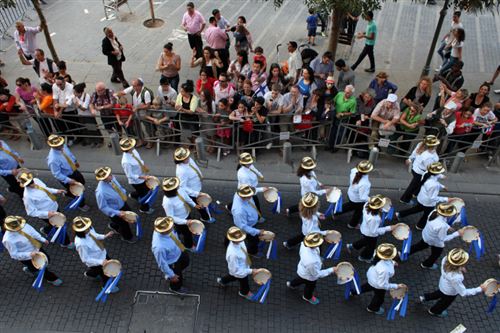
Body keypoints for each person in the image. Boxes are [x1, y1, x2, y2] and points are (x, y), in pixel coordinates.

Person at [419, 248, 486, 317]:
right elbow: (463, 293)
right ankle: (434, 311)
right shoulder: (456, 277)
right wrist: (480, 289)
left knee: (438, 293)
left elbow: (451, 265)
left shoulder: (445, 260)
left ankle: (425, 298)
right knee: (444, 303)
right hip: (450, 292)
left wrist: (460, 268)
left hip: (443, 284)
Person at [2, 215, 63, 286]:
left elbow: (33, 232)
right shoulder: (8, 240)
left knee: (47, 259)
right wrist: (29, 254)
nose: (20, 228)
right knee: (42, 268)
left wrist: (42, 239)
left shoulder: (22, 224)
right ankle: (52, 279)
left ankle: (31, 269)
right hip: (27, 257)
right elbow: (14, 255)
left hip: (36, 248)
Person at [17, 171, 73, 247]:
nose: (32, 184)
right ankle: (65, 243)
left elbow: (46, 189)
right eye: (29, 184)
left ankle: (47, 230)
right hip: (47, 214)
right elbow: (31, 212)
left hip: (54, 207)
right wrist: (48, 214)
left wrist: (56, 191)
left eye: (32, 181)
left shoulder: (36, 180)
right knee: (60, 228)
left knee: (54, 225)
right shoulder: (27, 196)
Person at [397, 162, 453, 230]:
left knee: (416, 209)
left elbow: (434, 178)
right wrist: (446, 199)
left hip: (421, 198)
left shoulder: (426, 173)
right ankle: (420, 226)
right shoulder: (434, 185)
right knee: (427, 215)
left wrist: (442, 186)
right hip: (428, 203)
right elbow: (432, 197)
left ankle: (400, 214)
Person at [286, 232, 336, 305]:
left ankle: (292, 284)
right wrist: (331, 270)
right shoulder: (312, 261)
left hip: (302, 270)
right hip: (310, 276)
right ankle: (307, 297)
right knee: (310, 286)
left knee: (300, 279)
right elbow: (316, 274)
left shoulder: (304, 243)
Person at [408, 203, 462, 269]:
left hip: (427, 235)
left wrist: (448, 227)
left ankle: (405, 253)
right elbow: (443, 238)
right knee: (435, 254)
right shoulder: (442, 226)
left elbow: (440, 222)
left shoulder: (434, 212)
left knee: (418, 246)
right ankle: (427, 264)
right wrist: (457, 233)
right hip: (435, 241)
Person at [72, 216, 118, 292]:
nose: (89, 228)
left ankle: (90, 274)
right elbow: (85, 259)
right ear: (80, 231)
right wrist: (101, 262)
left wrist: (105, 236)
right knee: (105, 275)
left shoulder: (89, 229)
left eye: (88, 226)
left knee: (97, 271)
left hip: (103, 254)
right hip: (96, 262)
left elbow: (95, 235)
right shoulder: (80, 243)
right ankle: (106, 287)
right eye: (86, 228)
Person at [46, 134, 90, 212]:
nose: (62, 145)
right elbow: (56, 174)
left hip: (73, 170)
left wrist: (75, 161)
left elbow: (69, 154)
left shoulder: (63, 146)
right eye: (59, 145)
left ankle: (68, 193)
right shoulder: (53, 160)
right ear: (53, 147)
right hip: (67, 176)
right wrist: (69, 180)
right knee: (77, 191)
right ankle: (81, 204)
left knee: (82, 181)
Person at [346, 195, 396, 263]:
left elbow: (370, 201)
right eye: (381, 205)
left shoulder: (366, 206)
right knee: (371, 247)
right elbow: (374, 231)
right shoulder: (375, 219)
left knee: (366, 241)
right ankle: (364, 257)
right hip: (370, 234)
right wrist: (389, 228)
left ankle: (352, 246)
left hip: (365, 229)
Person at [94, 166, 136, 243]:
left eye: (110, 174)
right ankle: (127, 237)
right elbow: (103, 207)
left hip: (123, 203)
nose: (112, 176)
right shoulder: (100, 192)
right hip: (116, 211)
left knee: (129, 215)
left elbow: (119, 187)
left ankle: (114, 226)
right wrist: (118, 213)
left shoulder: (112, 178)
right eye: (109, 175)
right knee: (124, 225)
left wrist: (123, 192)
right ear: (104, 179)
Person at [359, 243, 404, 315]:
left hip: (372, 277)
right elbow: (382, 285)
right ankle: (372, 308)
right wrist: (396, 286)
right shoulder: (385, 270)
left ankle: (353, 291)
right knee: (379, 298)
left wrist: (392, 263)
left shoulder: (378, 257)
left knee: (366, 287)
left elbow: (385, 261)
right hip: (377, 283)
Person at [216, 226, 258, 300]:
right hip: (240, 271)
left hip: (241, 268)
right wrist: (251, 271)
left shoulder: (239, 241)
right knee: (244, 281)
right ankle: (244, 292)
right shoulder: (233, 254)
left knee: (233, 276)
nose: (242, 239)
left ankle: (223, 281)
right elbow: (237, 271)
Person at [152, 216, 191, 293]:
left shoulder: (167, 229)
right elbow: (162, 263)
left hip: (180, 251)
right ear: (164, 231)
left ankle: (175, 275)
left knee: (186, 262)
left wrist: (182, 248)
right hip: (172, 262)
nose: (173, 226)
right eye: (170, 227)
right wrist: (171, 275)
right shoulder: (159, 247)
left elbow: (175, 237)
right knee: (176, 278)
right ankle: (175, 288)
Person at [174, 147, 212, 223]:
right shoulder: (182, 171)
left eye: (188, 156)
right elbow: (182, 187)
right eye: (186, 157)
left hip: (197, 187)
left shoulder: (188, 160)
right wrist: (197, 193)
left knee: (201, 203)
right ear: (180, 160)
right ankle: (205, 218)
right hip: (193, 192)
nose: (188, 158)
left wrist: (200, 175)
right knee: (200, 206)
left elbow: (195, 167)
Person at [400, 135, 440, 204]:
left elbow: (414, 153)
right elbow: (429, 167)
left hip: (416, 168)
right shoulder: (428, 156)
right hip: (421, 172)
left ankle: (415, 194)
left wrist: (410, 159)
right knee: (413, 186)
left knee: (418, 184)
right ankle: (405, 199)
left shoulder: (421, 144)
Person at [161, 177, 198, 249]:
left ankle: (178, 231)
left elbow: (186, 197)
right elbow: (171, 217)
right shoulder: (167, 202)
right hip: (180, 220)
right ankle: (189, 245)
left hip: (186, 215)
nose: (178, 186)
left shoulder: (179, 189)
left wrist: (194, 205)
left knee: (183, 230)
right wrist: (185, 222)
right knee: (187, 233)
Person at [119, 138, 155, 214]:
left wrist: (144, 166)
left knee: (141, 191)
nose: (133, 146)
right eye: (131, 146)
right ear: (128, 149)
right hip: (137, 181)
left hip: (142, 174)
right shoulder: (126, 162)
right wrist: (143, 177)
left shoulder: (133, 151)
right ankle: (144, 208)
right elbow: (130, 175)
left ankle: (133, 195)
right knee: (145, 193)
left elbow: (139, 159)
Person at [230, 184, 267, 256]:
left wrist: (261, 189)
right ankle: (252, 252)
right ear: (243, 197)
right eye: (250, 195)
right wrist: (257, 232)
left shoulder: (241, 193)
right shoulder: (239, 211)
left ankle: (229, 239)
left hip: (249, 223)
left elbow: (252, 191)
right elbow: (243, 227)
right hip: (248, 227)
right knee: (253, 240)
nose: (251, 196)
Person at [117, 78, 154, 149]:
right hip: (136, 112)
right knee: (137, 127)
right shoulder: (133, 89)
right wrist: (117, 95)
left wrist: (138, 108)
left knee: (148, 127)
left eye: (134, 86)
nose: (133, 87)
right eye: (133, 86)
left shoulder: (146, 93)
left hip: (145, 113)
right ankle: (142, 140)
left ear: (139, 86)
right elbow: (122, 92)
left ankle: (151, 141)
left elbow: (148, 105)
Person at [340, 160, 373, 229]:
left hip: (351, 194)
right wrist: (371, 199)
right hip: (358, 200)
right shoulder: (365, 183)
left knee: (349, 206)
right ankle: (352, 224)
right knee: (358, 212)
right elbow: (363, 197)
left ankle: (336, 212)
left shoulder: (354, 171)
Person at [328, 85, 357, 152]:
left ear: (351, 93)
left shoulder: (353, 101)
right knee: (333, 131)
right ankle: (330, 145)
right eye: (345, 91)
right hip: (335, 115)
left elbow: (352, 112)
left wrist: (343, 114)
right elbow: (333, 102)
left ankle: (336, 147)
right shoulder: (339, 94)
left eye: (348, 93)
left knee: (340, 133)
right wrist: (332, 108)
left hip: (343, 118)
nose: (345, 94)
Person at [89, 82, 117, 147]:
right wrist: (92, 110)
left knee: (117, 127)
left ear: (103, 89)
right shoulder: (95, 94)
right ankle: (114, 140)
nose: (97, 92)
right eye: (96, 90)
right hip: (104, 115)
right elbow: (91, 103)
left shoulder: (110, 92)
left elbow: (112, 104)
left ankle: (119, 139)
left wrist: (102, 107)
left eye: (99, 91)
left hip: (113, 114)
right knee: (108, 128)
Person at [52, 76, 78, 144]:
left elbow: (66, 102)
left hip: (70, 109)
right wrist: (55, 111)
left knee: (73, 125)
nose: (59, 86)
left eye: (60, 84)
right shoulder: (54, 86)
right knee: (64, 125)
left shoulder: (70, 87)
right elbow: (55, 99)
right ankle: (69, 138)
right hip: (60, 107)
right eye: (57, 84)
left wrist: (60, 112)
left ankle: (78, 137)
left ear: (64, 82)